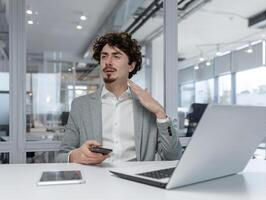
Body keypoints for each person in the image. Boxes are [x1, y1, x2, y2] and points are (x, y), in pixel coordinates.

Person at [56, 32, 182, 164]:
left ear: (131, 66)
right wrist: (75, 156)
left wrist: (159, 112)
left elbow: (173, 156)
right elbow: (61, 156)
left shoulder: (147, 107)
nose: (108, 62)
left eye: (116, 56)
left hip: (137, 181)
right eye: (104, 56)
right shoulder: (80, 105)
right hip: (95, 181)